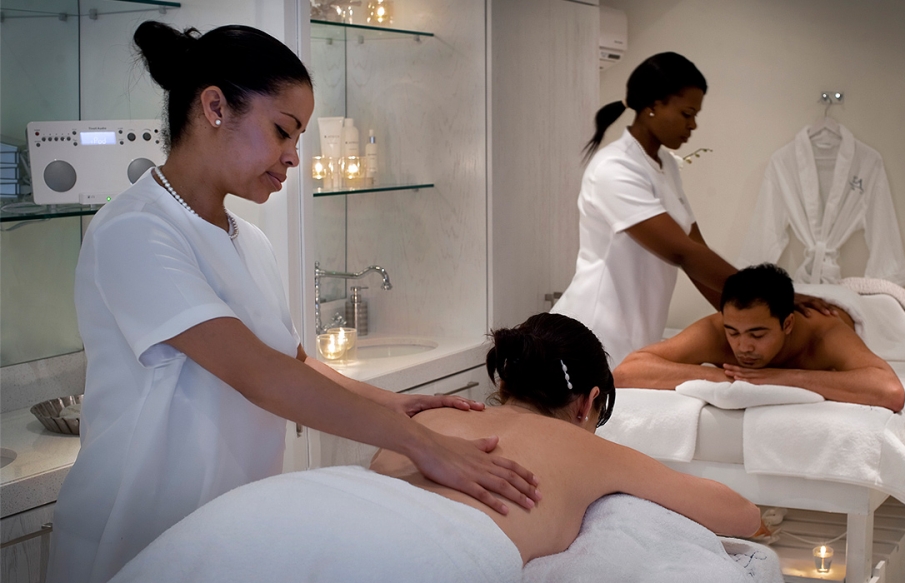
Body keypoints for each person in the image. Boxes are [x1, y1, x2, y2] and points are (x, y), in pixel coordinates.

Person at [48, 22, 538, 583]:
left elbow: (292, 361)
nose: (293, 157)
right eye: (283, 131)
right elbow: (259, 375)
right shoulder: (135, 230)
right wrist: (420, 444)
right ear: (214, 107)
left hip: (229, 530)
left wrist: (392, 404)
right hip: (139, 533)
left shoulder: (249, 240)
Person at [106, 313, 762, 583]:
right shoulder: (580, 444)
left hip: (277, 506)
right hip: (415, 551)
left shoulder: (439, 416)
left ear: (503, 383)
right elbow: (740, 514)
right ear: (588, 403)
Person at [551, 52, 832, 368]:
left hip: (635, 335)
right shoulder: (614, 168)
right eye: (687, 113)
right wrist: (770, 300)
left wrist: (745, 322)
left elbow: (696, 249)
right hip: (590, 332)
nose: (693, 125)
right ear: (653, 106)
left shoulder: (664, 164)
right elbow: (682, 252)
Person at [614, 264, 905, 412]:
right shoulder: (716, 330)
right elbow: (627, 372)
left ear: (787, 324)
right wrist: (722, 377)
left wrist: (782, 377)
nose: (743, 346)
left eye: (758, 334)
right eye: (733, 332)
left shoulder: (824, 333)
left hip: (850, 305)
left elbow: (890, 391)